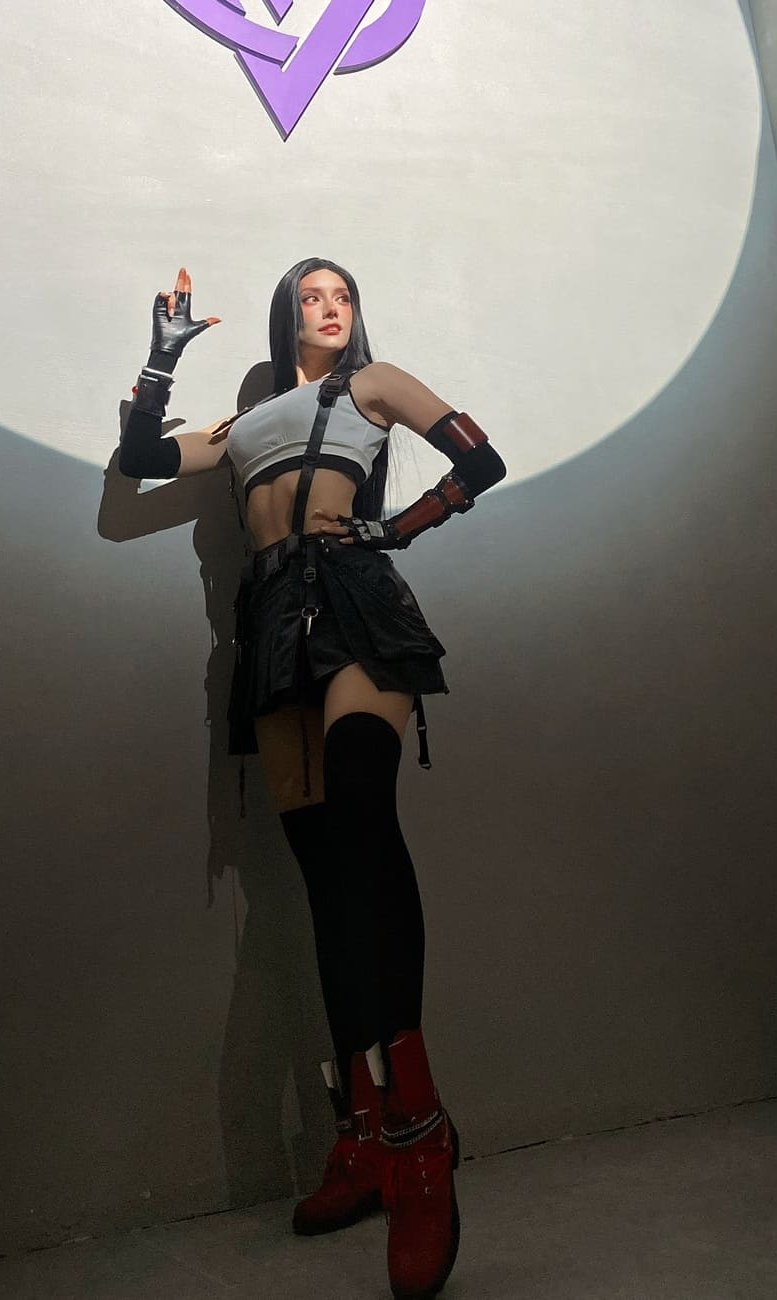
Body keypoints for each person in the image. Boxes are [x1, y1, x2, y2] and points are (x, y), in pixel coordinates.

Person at [118, 259, 505, 1299]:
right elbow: (140, 462)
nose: (329, 308)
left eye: (343, 295)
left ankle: (419, 1133)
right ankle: (361, 1132)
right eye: (312, 294)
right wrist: (159, 362)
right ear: (286, 311)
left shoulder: (372, 386)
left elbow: (481, 458)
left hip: (352, 598)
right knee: (324, 881)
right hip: (267, 630)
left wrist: (396, 526)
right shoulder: (243, 425)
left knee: (364, 830)